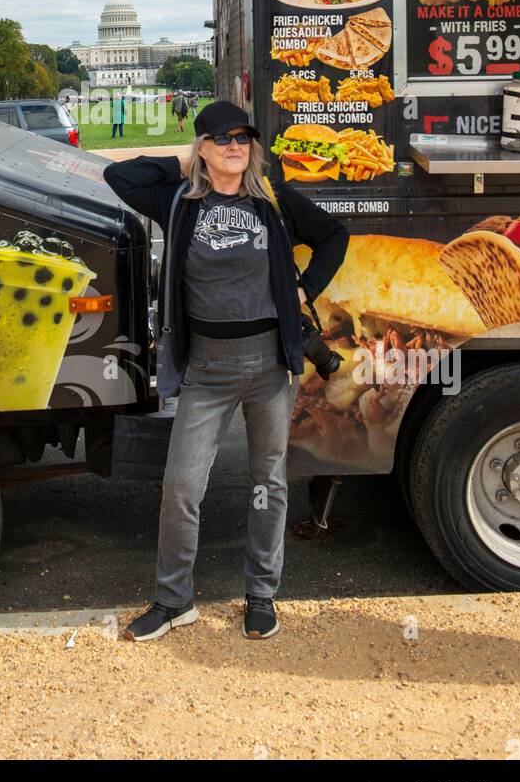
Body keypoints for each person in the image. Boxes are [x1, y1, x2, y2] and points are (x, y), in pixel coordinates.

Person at [102, 100, 348, 642]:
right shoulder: (179, 199)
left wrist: (305, 286)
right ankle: (173, 600)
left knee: (268, 483)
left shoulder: (275, 200)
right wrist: (185, 165)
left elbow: (334, 235)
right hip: (207, 369)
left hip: (269, 365)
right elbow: (118, 173)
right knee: (182, 486)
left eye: (242, 137)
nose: (234, 146)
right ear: (204, 148)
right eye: (221, 138)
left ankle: (262, 594)